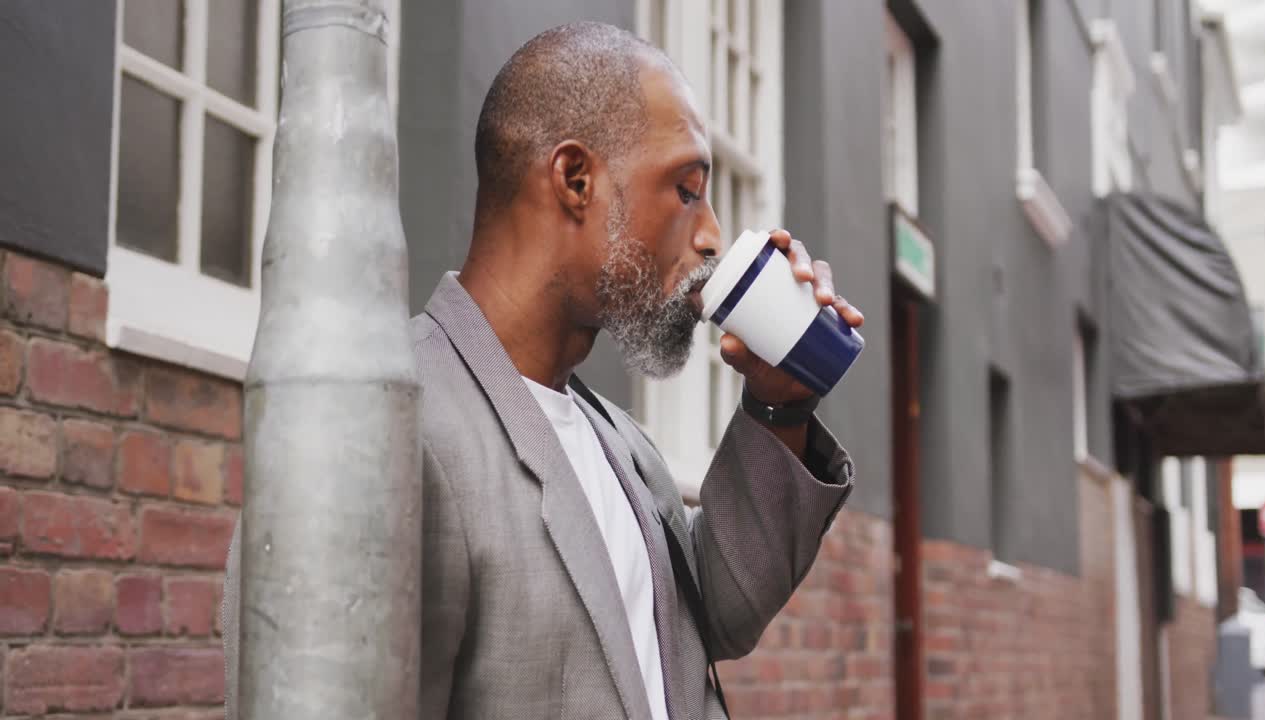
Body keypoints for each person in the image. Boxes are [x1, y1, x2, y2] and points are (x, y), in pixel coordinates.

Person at [226, 21, 863, 720]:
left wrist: (781, 407)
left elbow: (719, 615)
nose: (711, 233)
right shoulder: (393, 430)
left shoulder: (621, 443)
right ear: (575, 179)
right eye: (686, 190)